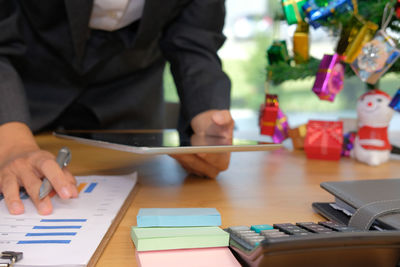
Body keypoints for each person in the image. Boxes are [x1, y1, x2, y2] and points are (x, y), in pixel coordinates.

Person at [0, 0, 234, 215]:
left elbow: (196, 38)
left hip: (131, 94)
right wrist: (14, 146)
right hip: (22, 87)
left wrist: (206, 115)